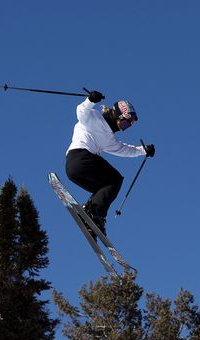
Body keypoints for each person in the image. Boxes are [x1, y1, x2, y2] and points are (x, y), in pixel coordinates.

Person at [65, 90, 155, 237]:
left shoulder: (108, 138)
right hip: (81, 157)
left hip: (73, 169)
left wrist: (142, 150)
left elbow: (124, 150)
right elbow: (81, 111)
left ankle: (90, 216)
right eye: (125, 123)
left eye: (127, 127)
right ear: (116, 115)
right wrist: (91, 100)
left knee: (104, 189)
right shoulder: (94, 117)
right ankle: (95, 215)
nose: (123, 128)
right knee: (115, 179)